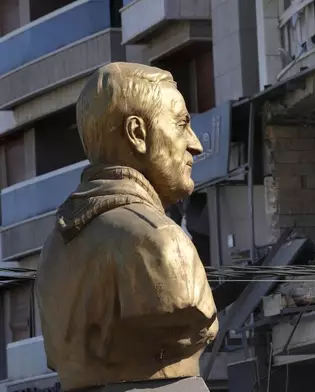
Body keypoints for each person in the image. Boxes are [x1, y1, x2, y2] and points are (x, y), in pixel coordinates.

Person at [35, 62, 218, 391]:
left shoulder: (54, 249)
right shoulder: (157, 240)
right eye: (181, 124)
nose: (195, 144)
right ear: (137, 133)